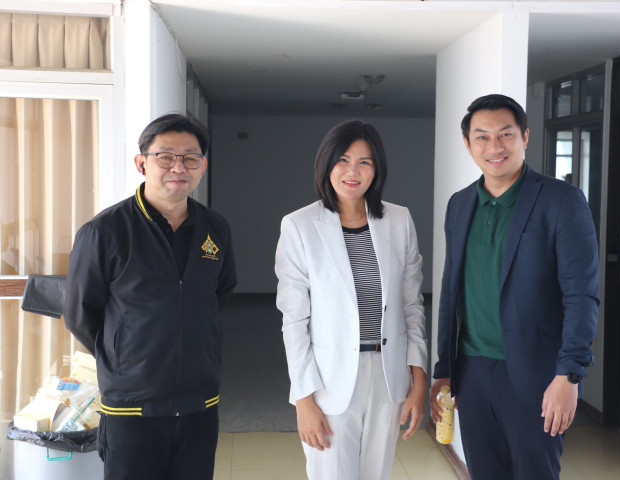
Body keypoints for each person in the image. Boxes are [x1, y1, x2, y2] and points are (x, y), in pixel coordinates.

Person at [429, 94, 599, 480]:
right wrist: (445, 367)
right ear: (468, 144)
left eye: (505, 134)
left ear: (524, 137)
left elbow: (582, 295)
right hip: (472, 371)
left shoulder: (562, 201)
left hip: (537, 373)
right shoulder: (460, 204)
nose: (495, 147)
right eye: (482, 137)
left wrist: (569, 375)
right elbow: (451, 290)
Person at [64, 113, 237, 480]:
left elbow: (219, 292)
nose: (179, 167)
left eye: (190, 158)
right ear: (141, 163)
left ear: (203, 166)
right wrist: (125, 354)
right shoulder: (105, 231)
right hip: (132, 407)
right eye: (165, 157)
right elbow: (80, 313)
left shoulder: (215, 228)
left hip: (199, 401)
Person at [275, 119, 428, 480]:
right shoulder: (299, 226)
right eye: (343, 160)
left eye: (364, 162)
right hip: (329, 381)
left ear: (377, 168)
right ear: (326, 164)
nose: (352, 172)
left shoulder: (399, 220)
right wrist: (303, 399)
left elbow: (412, 306)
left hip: (388, 377)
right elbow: (294, 321)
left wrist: (419, 382)